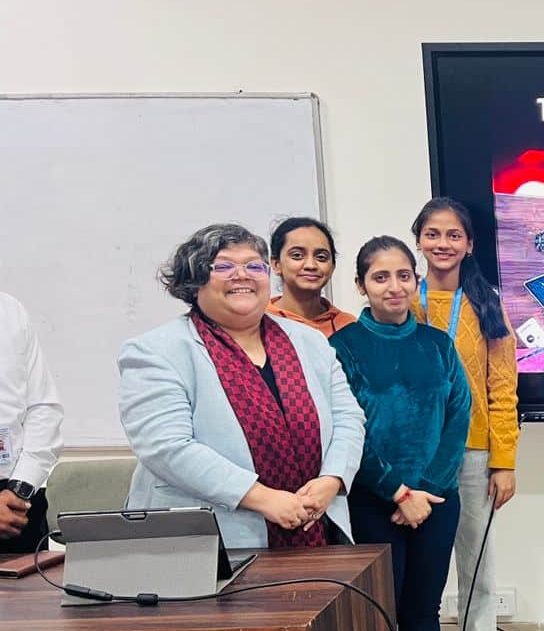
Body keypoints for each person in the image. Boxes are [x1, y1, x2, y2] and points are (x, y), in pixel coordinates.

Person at [119, 224, 364, 550]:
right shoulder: (156, 351)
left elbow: (349, 418)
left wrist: (331, 480)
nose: (242, 275)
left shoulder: (309, 341)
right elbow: (168, 447)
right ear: (194, 281)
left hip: (317, 527)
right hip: (209, 545)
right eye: (223, 266)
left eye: (253, 265)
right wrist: (263, 499)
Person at [332, 236, 473, 631]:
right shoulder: (344, 347)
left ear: (416, 281)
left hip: (436, 501)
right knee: (378, 615)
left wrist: (426, 490)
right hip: (373, 503)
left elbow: (459, 415)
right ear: (362, 285)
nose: (394, 286)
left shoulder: (438, 344)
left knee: (423, 609)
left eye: (403, 276)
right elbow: (345, 431)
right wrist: (395, 489)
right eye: (380, 277)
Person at [412, 198, 519, 631]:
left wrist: (505, 459)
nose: (443, 244)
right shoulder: (402, 300)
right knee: (415, 572)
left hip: (473, 452)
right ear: (418, 240)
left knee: (477, 565)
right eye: (433, 234)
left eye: (453, 235)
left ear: (469, 244)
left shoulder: (486, 304)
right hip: (414, 455)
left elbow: (503, 388)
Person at [0, 291, 64, 554]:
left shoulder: (9, 310)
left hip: (16, 502)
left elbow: (43, 408)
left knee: (29, 594)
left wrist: (19, 491)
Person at [267, 217, 357, 336]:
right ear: (276, 264)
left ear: (333, 267)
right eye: (297, 255)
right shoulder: (259, 321)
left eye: (321, 257)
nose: (311, 265)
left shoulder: (348, 327)